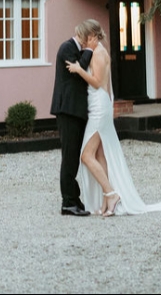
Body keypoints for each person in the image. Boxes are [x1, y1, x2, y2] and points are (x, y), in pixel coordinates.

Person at [67, 20, 161, 216]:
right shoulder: (98, 51)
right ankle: (106, 199)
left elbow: (97, 82)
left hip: (98, 108)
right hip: (98, 105)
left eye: (85, 39)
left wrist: (79, 70)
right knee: (99, 154)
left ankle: (111, 193)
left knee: (86, 156)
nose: (84, 43)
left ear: (93, 36)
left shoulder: (98, 53)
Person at [50, 20, 97, 216]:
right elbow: (79, 71)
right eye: (92, 37)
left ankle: (74, 198)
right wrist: (90, 51)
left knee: (74, 157)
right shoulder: (66, 48)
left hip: (77, 110)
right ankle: (68, 202)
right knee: (69, 157)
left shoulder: (75, 48)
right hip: (67, 110)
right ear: (86, 36)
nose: (93, 41)